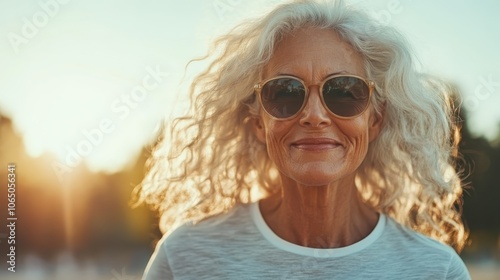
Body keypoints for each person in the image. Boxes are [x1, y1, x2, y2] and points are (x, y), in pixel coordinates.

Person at [137, 0, 471, 279]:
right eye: (285, 92)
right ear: (257, 121)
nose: (315, 115)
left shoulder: (436, 271)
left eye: (343, 92)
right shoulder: (183, 259)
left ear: (376, 119)